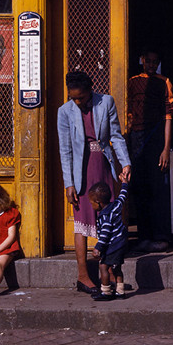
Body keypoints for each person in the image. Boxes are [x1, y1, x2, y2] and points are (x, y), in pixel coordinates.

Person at [57, 70, 131, 296]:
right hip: (80, 172)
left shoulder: (106, 102)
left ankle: (106, 276)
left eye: (81, 97)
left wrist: (125, 163)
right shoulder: (64, 111)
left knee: (107, 218)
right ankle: (83, 276)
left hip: (102, 166)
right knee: (81, 220)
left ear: (90, 90)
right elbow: (65, 149)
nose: (77, 102)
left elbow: (116, 136)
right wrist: (69, 183)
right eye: (73, 97)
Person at [126, 48, 173, 252]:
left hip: (156, 138)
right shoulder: (131, 81)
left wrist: (166, 148)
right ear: (141, 60)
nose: (151, 65)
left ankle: (160, 236)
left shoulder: (164, 82)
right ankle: (143, 236)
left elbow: (168, 116)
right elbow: (126, 111)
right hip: (136, 139)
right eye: (148, 61)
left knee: (158, 188)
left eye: (155, 62)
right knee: (139, 187)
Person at [89, 179, 129, 301]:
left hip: (113, 245)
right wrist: (125, 183)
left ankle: (106, 292)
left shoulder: (105, 216)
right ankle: (120, 291)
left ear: (98, 202)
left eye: (92, 203)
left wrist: (98, 248)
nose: (92, 206)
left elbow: (105, 235)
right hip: (121, 243)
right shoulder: (116, 205)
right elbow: (123, 196)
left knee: (103, 267)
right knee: (117, 267)